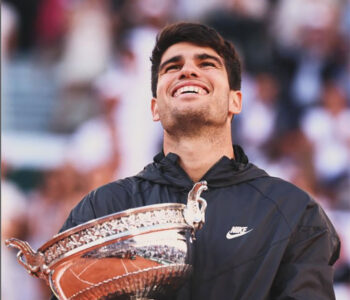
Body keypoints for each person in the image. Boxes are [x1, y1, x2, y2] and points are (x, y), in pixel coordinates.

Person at [52, 22, 340, 299]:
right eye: (173, 67)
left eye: (206, 64)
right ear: (155, 108)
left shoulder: (292, 212)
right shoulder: (102, 209)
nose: (188, 71)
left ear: (235, 100)